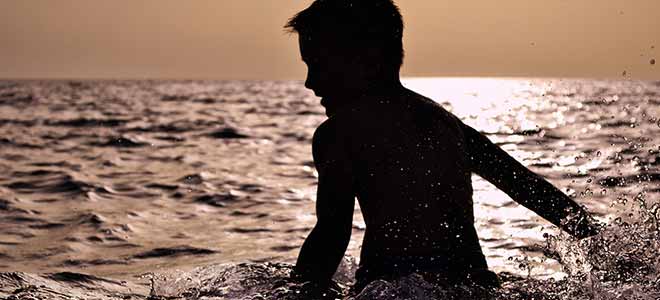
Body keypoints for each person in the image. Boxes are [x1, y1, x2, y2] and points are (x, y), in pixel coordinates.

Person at [285, 0, 601, 295]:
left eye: (319, 65)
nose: (310, 82)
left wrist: (293, 292)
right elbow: (524, 185)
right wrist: (597, 239)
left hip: (394, 290)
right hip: (475, 288)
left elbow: (331, 236)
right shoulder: (445, 123)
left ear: (367, 59)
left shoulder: (339, 134)